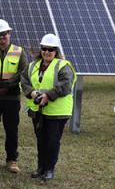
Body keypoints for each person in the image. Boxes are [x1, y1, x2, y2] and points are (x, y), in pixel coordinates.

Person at [21, 34, 76, 181]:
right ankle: (41, 168)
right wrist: (32, 93)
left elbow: (65, 84)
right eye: (44, 48)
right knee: (41, 140)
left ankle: (49, 169)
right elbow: (24, 81)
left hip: (57, 112)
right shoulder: (33, 66)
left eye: (50, 49)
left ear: (56, 51)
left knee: (52, 140)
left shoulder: (63, 66)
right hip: (38, 110)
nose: (47, 52)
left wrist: (47, 96)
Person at [0, 19, 27, 173]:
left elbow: (24, 72)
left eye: (4, 34)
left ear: (10, 33)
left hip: (12, 96)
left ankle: (12, 160)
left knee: (11, 129)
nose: (1, 37)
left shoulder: (19, 51)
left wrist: (9, 84)